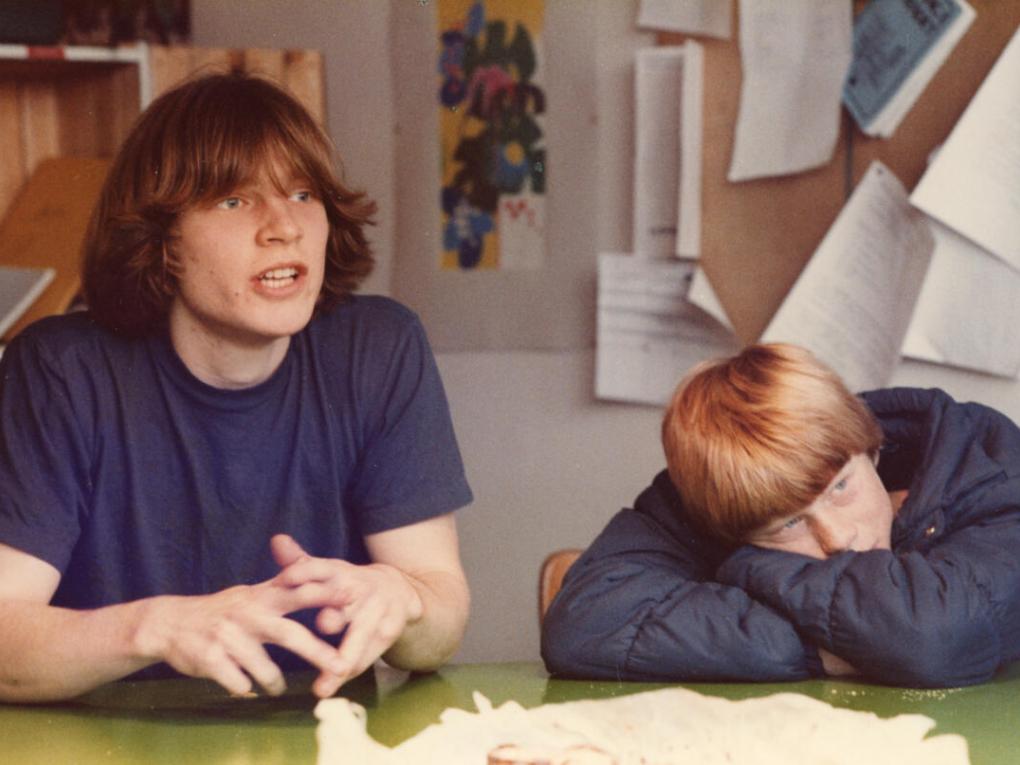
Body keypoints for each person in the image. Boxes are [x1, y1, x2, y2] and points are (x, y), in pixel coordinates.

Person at [0, 72, 473, 702]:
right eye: (234, 201)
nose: (284, 227)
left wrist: (403, 599)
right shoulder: (61, 370)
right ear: (160, 240)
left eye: (303, 194)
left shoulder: (378, 349)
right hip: (110, 735)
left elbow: (440, 627)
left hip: (324, 735)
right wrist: (157, 628)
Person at [542, 343, 1020, 688]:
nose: (838, 539)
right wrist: (831, 649)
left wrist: (750, 566)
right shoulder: (727, 484)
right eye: (788, 524)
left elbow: (937, 638)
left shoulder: (987, 464)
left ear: (873, 448)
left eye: (840, 488)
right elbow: (584, 626)